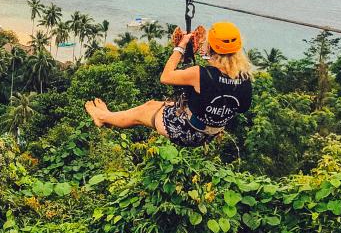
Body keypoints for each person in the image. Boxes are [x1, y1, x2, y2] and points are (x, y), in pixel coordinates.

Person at [85, 21, 253, 146]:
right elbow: (239, 105)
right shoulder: (245, 78)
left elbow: (165, 77)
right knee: (154, 105)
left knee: (144, 111)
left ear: (210, 47)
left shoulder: (199, 74)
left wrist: (180, 47)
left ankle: (102, 116)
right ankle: (109, 116)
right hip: (211, 133)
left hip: (187, 131)